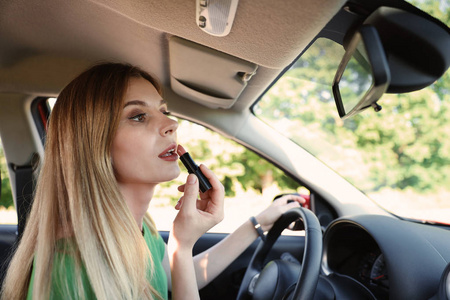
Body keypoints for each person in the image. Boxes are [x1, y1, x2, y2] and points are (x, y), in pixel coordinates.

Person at [1, 63, 304, 300]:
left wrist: (258, 223)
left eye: (163, 110)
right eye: (138, 116)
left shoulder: (136, 227)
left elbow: (172, 279)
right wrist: (182, 247)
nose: (172, 123)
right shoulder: (73, 270)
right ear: (93, 145)